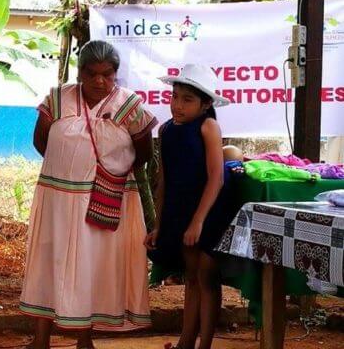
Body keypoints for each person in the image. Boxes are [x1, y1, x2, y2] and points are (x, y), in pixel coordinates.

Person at [20, 40, 157, 349]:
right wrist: (68, 171)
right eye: (92, 74)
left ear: (116, 74)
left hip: (104, 201)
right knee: (47, 262)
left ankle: (85, 340)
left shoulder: (129, 106)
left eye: (107, 75)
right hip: (57, 200)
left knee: (92, 267)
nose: (100, 81)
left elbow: (144, 152)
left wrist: (107, 175)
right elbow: (41, 142)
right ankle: (40, 340)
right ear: (79, 73)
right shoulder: (58, 99)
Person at [145, 64, 233, 349]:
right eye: (175, 96)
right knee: (191, 276)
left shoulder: (208, 126)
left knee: (207, 275)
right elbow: (164, 182)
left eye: (187, 99)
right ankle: (185, 341)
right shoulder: (167, 130)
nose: (177, 105)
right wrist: (160, 224)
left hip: (210, 209)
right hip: (180, 210)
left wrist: (198, 221)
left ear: (206, 103)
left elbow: (216, 178)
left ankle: (204, 343)